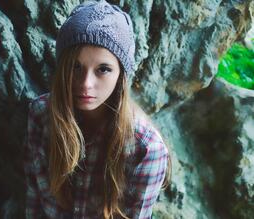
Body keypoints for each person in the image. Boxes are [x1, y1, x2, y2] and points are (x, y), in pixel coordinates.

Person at [24, 0, 171, 218]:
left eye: (103, 69)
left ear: (121, 76)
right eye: (76, 66)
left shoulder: (146, 149)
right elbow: (34, 201)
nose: (85, 84)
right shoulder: (41, 115)